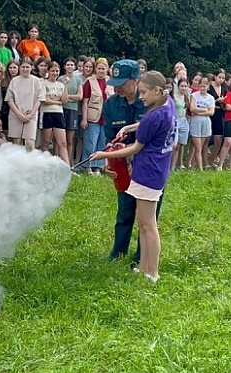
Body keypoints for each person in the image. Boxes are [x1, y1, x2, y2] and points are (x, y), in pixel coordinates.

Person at [89, 71, 176, 284]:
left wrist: (103, 155)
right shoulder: (168, 104)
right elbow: (146, 124)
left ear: (157, 90)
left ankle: (153, 272)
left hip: (148, 173)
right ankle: (143, 265)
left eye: (144, 92)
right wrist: (130, 126)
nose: (141, 96)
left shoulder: (154, 116)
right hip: (156, 170)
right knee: (144, 223)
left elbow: (134, 148)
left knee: (149, 225)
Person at [100, 59, 154, 267]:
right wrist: (108, 161)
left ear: (136, 80)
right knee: (124, 211)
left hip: (148, 166)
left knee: (146, 215)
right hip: (123, 166)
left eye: (122, 82)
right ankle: (118, 252)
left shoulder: (151, 101)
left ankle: (142, 256)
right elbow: (109, 139)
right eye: (115, 82)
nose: (117, 87)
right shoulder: (112, 104)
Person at [5, 58, 45, 151]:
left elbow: (40, 99)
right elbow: (9, 99)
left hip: (31, 114)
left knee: (29, 143)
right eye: (23, 67)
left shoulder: (36, 81)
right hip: (16, 114)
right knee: (17, 143)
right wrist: (19, 114)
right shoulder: (14, 81)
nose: (25, 69)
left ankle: (30, 164)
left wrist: (31, 114)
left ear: (31, 67)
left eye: (27, 67)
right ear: (20, 68)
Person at [81, 57, 109, 175]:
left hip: (106, 118)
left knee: (102, 142)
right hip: (92, 117)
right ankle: (88, 166)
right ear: (95, 69)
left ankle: (98, 166)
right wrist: (84, 118)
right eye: (99, 68)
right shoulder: (89, 81)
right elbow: (85, 101)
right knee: (91, 142)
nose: (101, 71)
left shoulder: (110, 81)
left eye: (103, 69)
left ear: (107, 69)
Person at [39, 61, 69, 163]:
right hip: (46, 113)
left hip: (59, 114)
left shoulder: (60, 85)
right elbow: (45, 100)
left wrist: (65, 85)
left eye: (57, 71)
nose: (55, 73)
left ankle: (68, 166)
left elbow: (64, 100)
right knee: (46, 142)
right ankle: (44, 164)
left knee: (63, 142)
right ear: (48, 71)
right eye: (52, 71)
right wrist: (58, 102)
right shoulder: (43, 82)